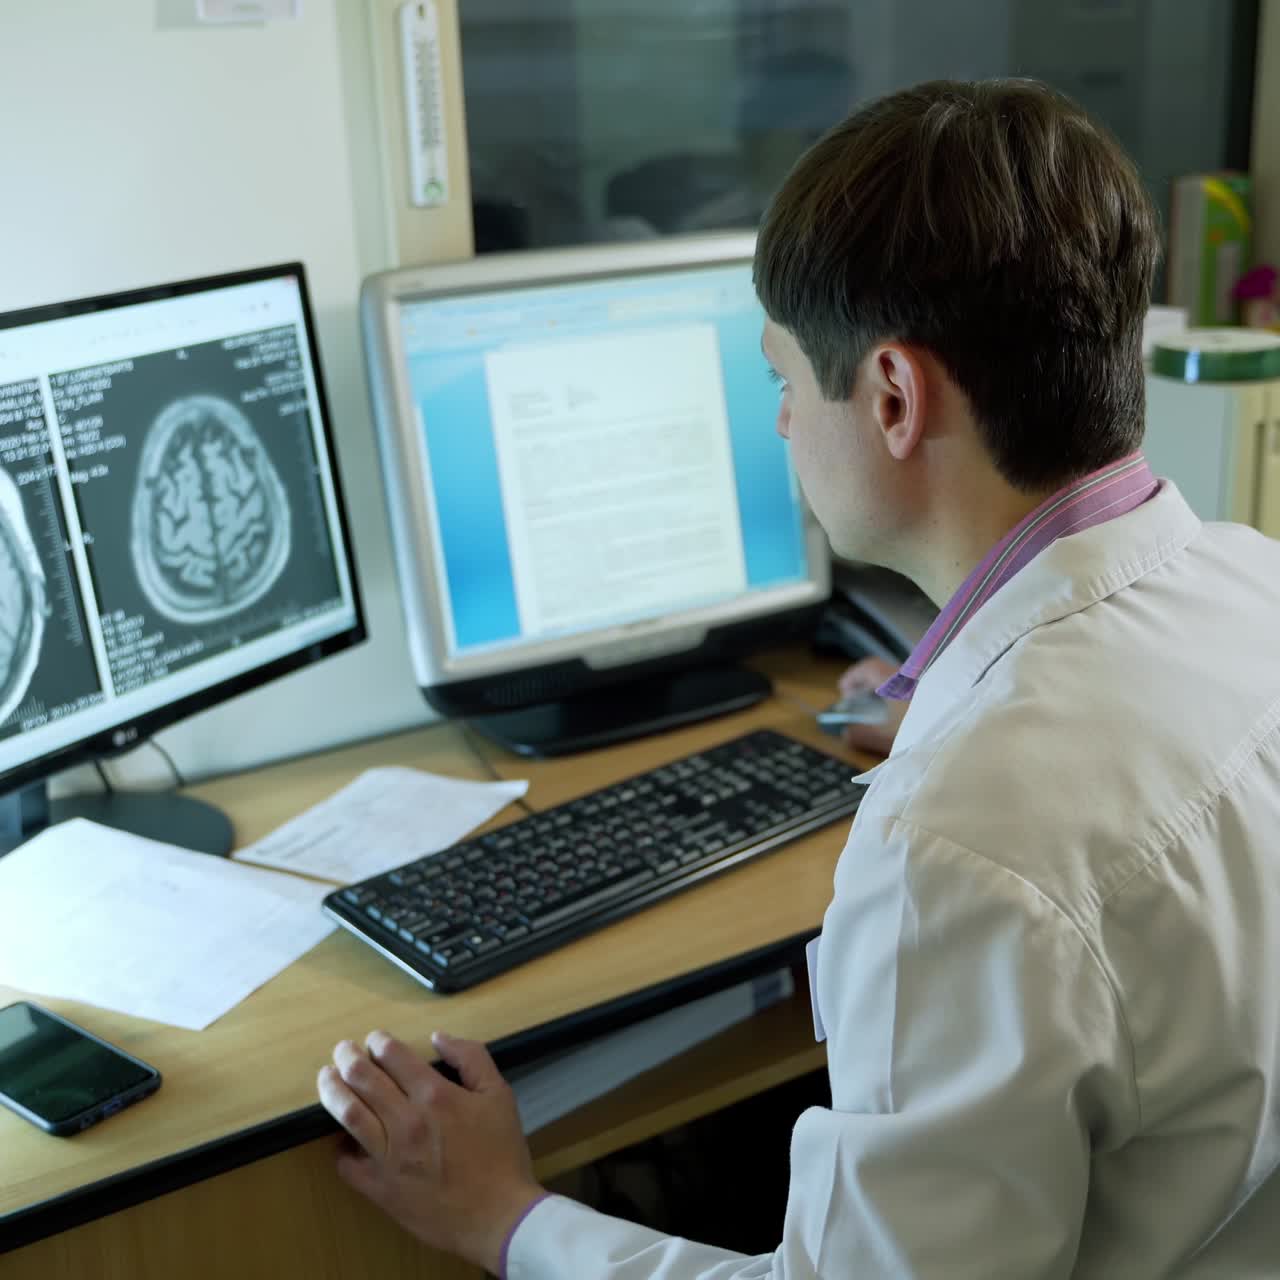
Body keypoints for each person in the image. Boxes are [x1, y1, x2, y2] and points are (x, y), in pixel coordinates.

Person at [316, 79, 1280, 1277]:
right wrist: (957, 711)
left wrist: (507, 1217)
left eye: (780, 380)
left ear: (890, 394)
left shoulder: (954, 850)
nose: (777, 424)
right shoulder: (1252, 587)